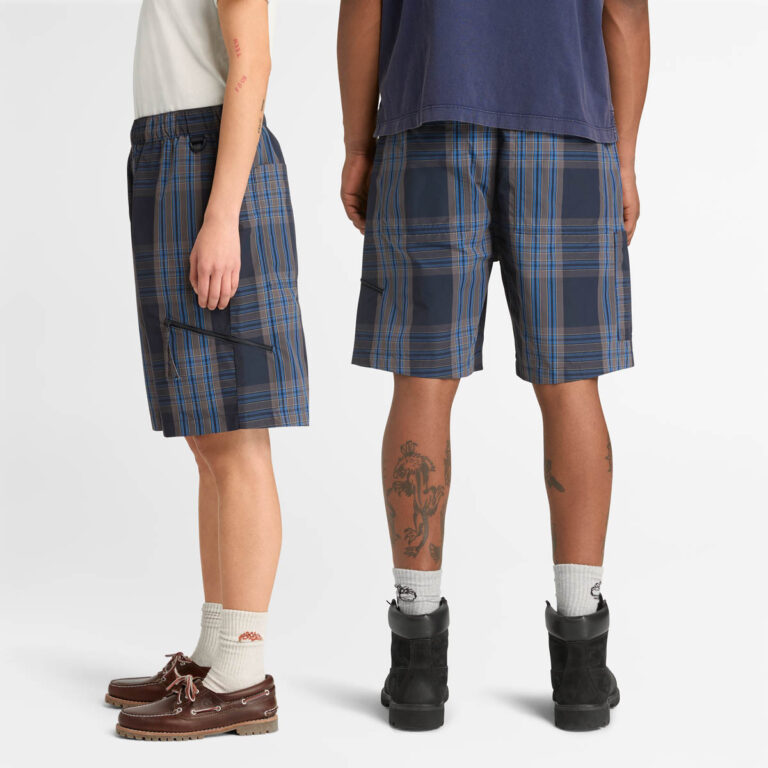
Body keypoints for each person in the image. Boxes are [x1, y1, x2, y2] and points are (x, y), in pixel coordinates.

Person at [338, 0, 649, 731]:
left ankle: (417, 669)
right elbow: (625, 15)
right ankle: (582, 669)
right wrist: (625, 156)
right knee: (570, 382)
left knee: (423, 380)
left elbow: (364, 8)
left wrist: (357, 144)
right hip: (568, 126)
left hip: (428, 120)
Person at [108, 0, 309, 741]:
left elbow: (252, 61)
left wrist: (222, 215)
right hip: (170, 153)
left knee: (236, 436)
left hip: (210, 162)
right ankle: (214, 654)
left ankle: (244, 677)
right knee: (207, 435)